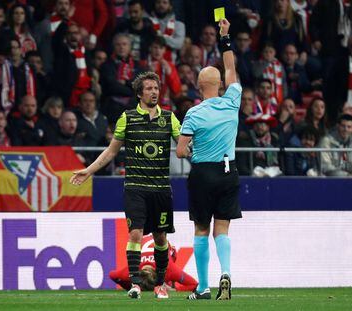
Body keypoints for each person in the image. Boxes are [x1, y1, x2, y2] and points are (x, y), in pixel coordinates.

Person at [70, 71, 181, 299]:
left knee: (160, 237)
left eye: (156, 88)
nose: (154, 92)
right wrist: (89, 171)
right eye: (149, 88)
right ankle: (135, 284)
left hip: (160, 189)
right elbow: (111, 150)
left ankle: (160, 283)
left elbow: (184, 147)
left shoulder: (169, 118)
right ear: (140, 94)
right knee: (135, 234)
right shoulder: (127, 118)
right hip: (135, 187)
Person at [176, 18, 242, 300]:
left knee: (201, 229)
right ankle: (225, 272)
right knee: (222, 228)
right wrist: (224, 36)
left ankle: (203, 287)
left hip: (202, 173)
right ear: (220, 84)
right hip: (228, 171)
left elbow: (180, 150)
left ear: (197, 84)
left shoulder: (193, 114)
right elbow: (230, 67)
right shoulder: (233, 100)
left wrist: (194, 151)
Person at [109, 234, 198, 292]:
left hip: (169, 250)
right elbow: (112, 275)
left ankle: (170, 283)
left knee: (171, 272)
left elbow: (194, 284)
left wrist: (173, 290)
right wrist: (131, 287)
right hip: (150, 240)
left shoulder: (169, 269)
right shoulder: (132, 271)